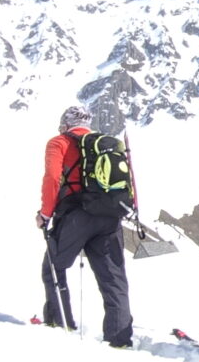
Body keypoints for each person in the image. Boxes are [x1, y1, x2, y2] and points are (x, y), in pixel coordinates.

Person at [37, 102, 134, 348]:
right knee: (113, 279)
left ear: (65, 123)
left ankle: (60, 324)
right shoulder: (104, 144)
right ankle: (119, 337)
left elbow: (52, 178)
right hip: (109, 216)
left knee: (54, 267)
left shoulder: (59, 142)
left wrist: (45, 214)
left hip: (75, 215)